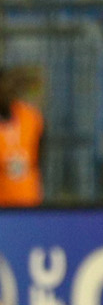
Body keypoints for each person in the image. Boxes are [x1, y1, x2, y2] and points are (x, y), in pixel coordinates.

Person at [0, 66, 45, 207]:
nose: (9, 89)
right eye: (4, 84)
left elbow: (40, 158)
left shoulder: (31, 117)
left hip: (28, 202)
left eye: (10, 84)